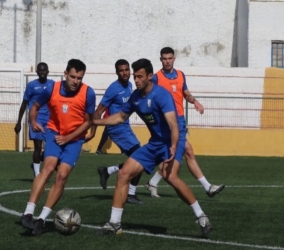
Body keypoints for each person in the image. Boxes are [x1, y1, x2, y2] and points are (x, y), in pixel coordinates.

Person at [94, 59, 211, 236]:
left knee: (170, 176)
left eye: (140, 76)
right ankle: (114, 223)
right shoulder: (135, 97)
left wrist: (172, 146)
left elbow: (173, 125)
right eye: (135, 76)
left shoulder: (161, 95)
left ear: (150, 76)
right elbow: (119, 117)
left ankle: (201, 216)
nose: (136, 80)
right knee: (124, 173)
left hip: (173, 140)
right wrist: (95, 120)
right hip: (155, 143)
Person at [20, 59, 96, 236]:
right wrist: (33, 120)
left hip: (74, 139)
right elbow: (35, 106)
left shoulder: (88, 93)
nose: (75, 81)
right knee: (47, 169)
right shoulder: (51, 88)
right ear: (65, 74)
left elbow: (88, 121)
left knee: (61, 176)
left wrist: (70, 137)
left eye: (79, 77)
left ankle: (42, 219)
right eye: (72, 76)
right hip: (54, 134)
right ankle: (28, 213)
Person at [146, 47, 225, 198]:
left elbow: (185, 93)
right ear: (160, 60)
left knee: (180, 152)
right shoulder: (156, 78)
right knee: (185, 151)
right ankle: (208, 187)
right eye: (164, 58)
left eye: (170, 58)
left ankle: (152, 182)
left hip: (180, 120)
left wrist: (195, 102)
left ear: (174, 58)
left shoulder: (181, 75)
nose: (167, 61)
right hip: (167, 123)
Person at [86, 59, 144, 205]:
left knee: (139, 159)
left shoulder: (131, 85)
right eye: (121, 70)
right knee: (141, 157)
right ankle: (130, 193)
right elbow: (98, 111)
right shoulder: (113, 89)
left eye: (126, 70)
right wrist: (92, 132)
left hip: (126, 127)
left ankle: (107, 171)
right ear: (116, 72)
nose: (125, 73)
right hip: (116, 129)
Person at [14, 62, 54, 177]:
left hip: (49, 120)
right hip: (35, 120)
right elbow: (24, 104)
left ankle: (36, 163)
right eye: (40, 70)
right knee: (37, 146)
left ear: (47, 71)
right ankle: (37, 174)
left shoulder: (52, 84)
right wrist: (19, 122)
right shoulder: (31, 85)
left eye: (44, 70)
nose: (42, 72)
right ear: (37, 72)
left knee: (50, 148)